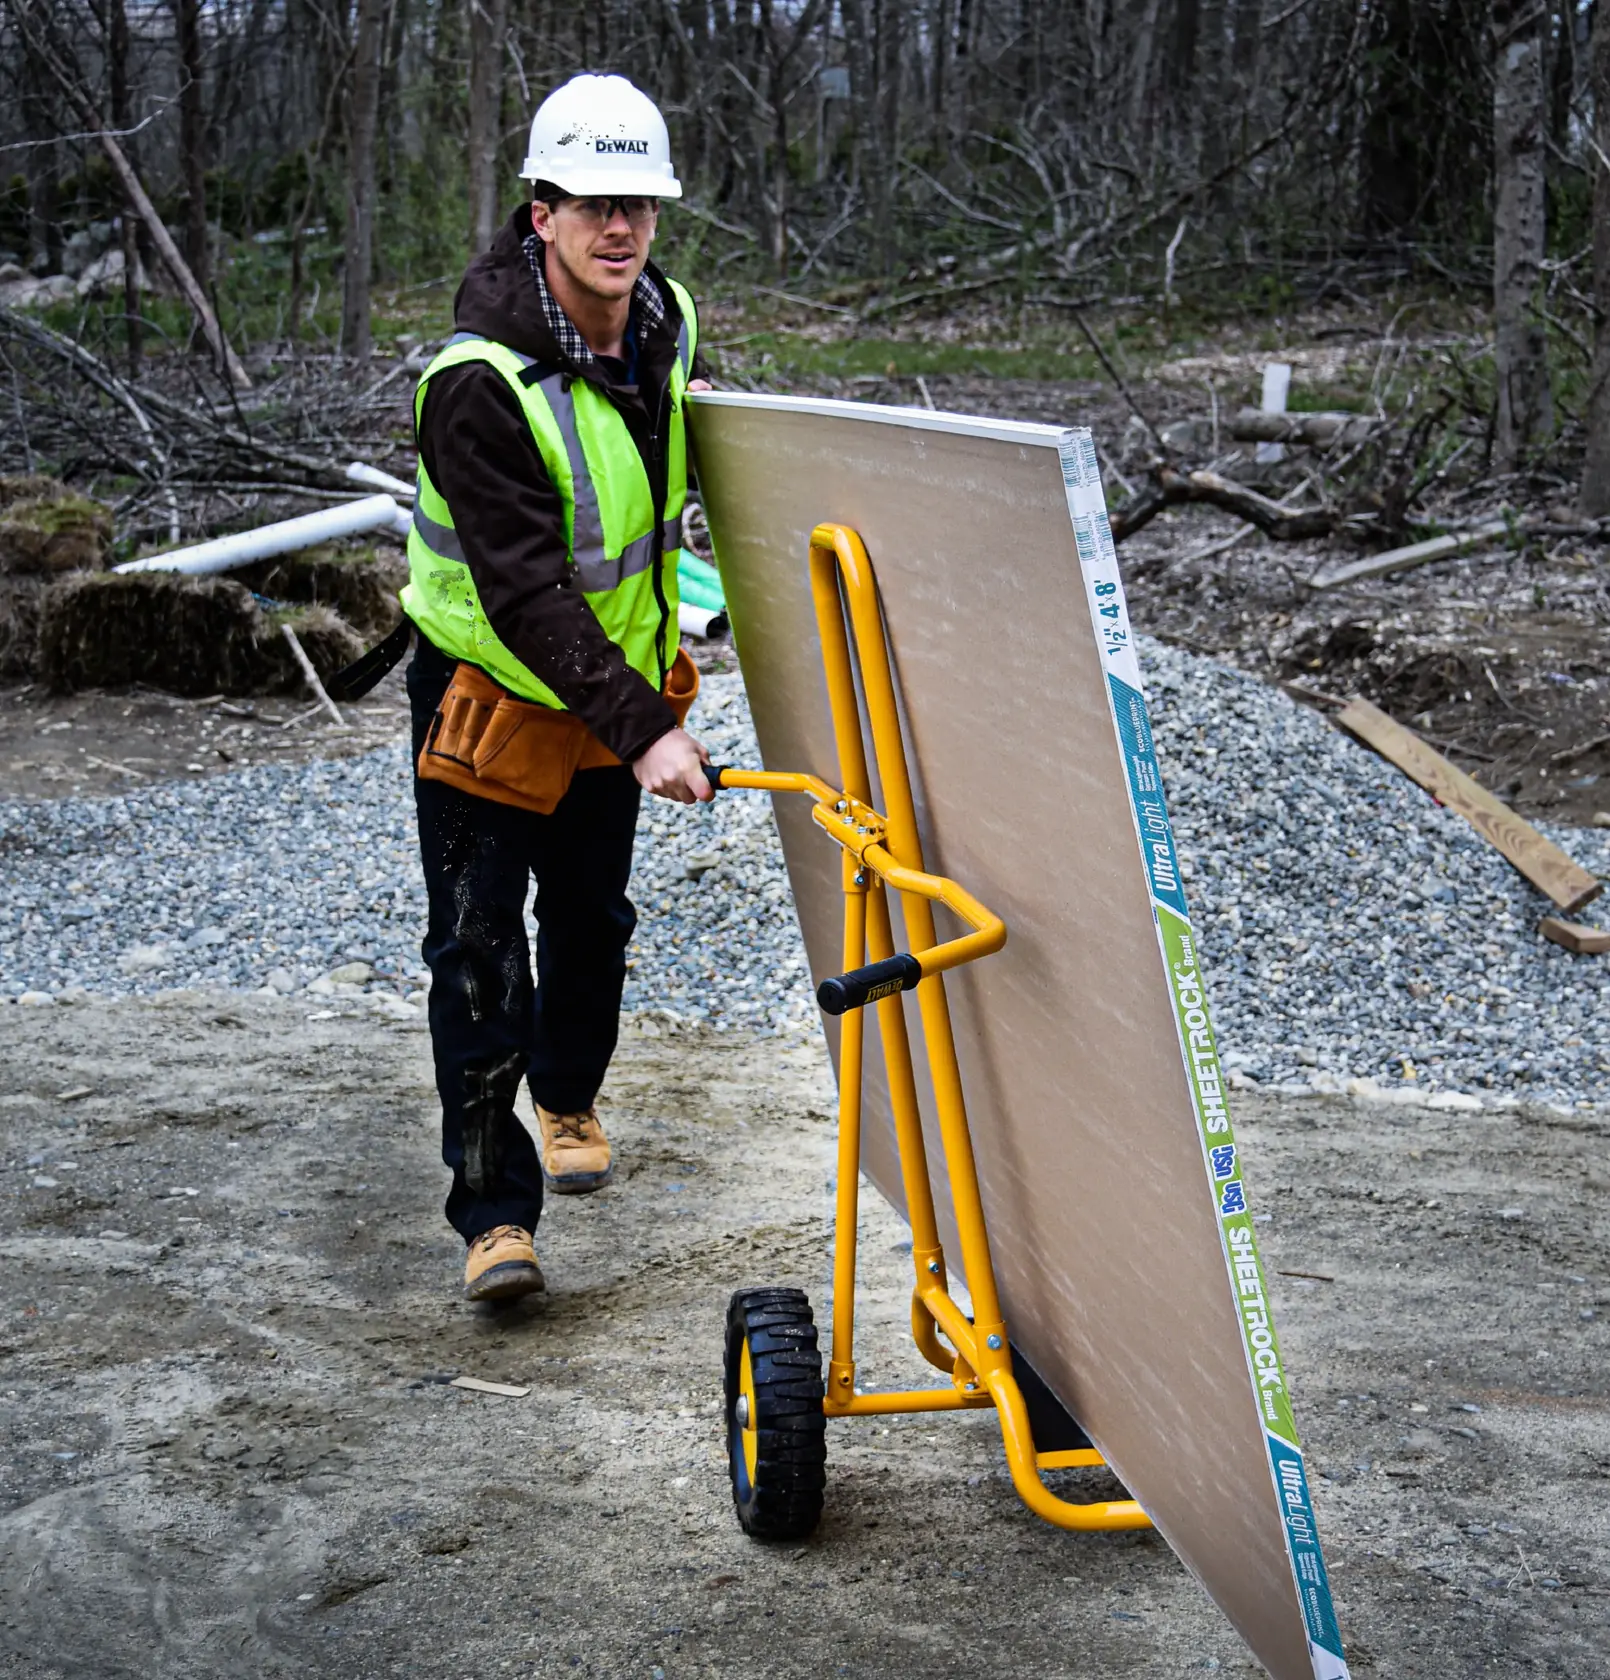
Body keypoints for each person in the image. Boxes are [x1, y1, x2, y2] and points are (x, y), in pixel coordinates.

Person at [401, 73, 714, 1303]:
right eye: (592, 202)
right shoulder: (476, 384)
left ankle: (570, 1093)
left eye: (638, 201)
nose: (620, 226)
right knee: (477, 953)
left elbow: (695, 484)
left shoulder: (664, 320)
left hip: (614, 689)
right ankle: (493, 1215)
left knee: (590, 925)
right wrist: (648, 732)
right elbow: (527, 591)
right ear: (541, 210)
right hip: (489, 696)